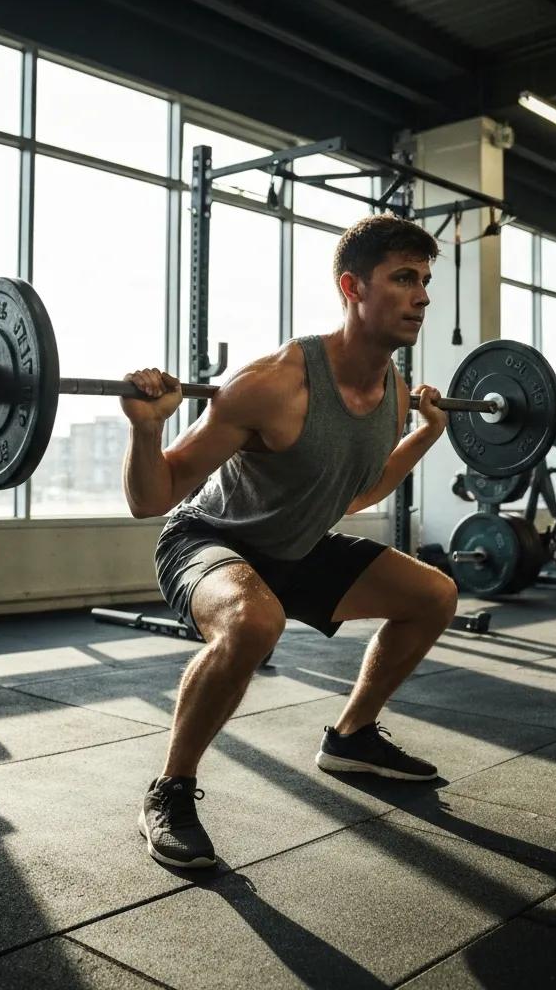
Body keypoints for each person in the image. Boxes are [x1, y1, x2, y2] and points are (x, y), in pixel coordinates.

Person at [121, 214, 459, 868]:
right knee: (253, 622)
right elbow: (152, 497)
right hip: (208, 539)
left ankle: (353, 736)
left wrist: (425, 433)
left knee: (434, 595)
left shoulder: (390, 392)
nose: (421, 296)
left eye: (424, 280)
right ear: (353, 287)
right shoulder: (273, 383)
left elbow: (360, 489)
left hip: (296, 547)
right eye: (403, 279)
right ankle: (170, 789)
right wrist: (144, 431)